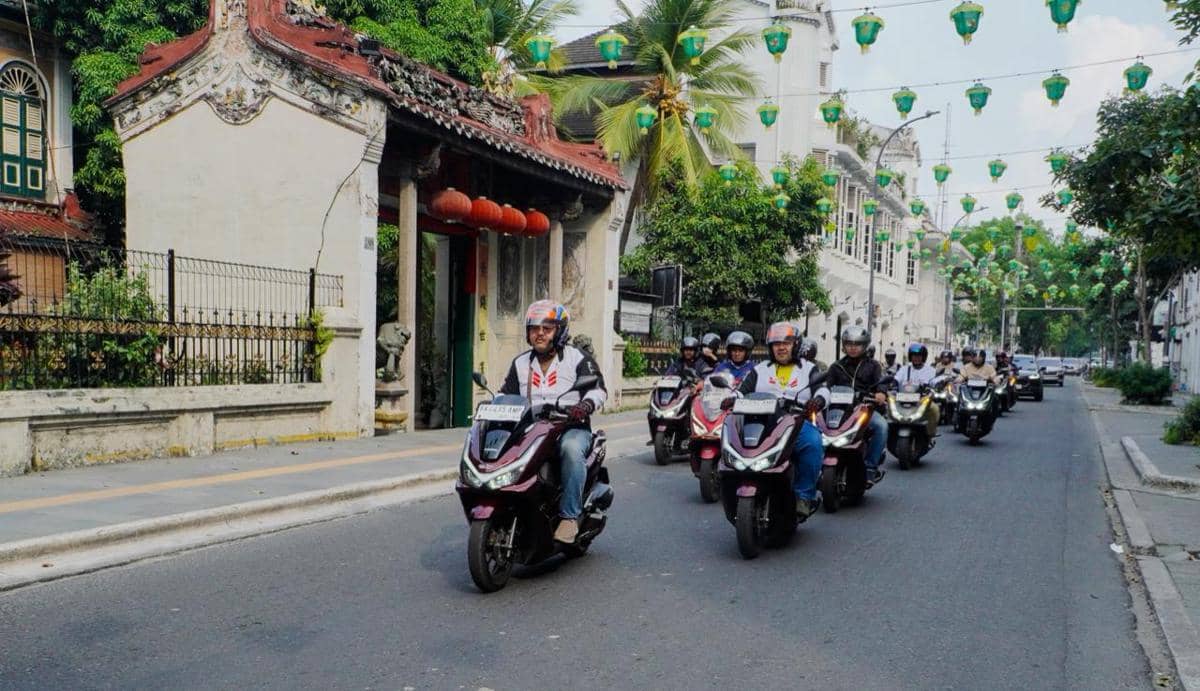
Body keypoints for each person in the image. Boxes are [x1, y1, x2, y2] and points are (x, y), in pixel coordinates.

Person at [499, 300, 606, 544]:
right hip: (531, 429)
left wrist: (585, 406)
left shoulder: (578, 358)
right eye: (535, 328)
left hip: (570, 427)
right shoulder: (520, 363)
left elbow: (599, 390)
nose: (540, 333)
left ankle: (569, 517)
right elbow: (506, 393)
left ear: (560, 331)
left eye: (547, 328)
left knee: (570, 449)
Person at [734, 322, 829, 519]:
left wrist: (818, 400)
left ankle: (804, 496)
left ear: (796, 345)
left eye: (787, 342)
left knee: (813, 443)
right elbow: (741, 392)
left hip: (795, 422)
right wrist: (730, 398)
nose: (781, 347)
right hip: (762, 423)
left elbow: (823, 389)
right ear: (771, 347)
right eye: (776, 343)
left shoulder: (809, 369)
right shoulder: (760, 370)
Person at [824, 326, 889, 485]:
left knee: (882, 426)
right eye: (849, 343)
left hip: (863, 409)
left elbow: (880, 384)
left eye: (857, 344)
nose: (853, 347)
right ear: (844, 345)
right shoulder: (836, 366)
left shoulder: (873, 366)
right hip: (837, 410)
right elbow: (826, 387)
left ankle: (870, 468)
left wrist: (880, 393)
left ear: (865, 345)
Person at [893, 343, 941, 440]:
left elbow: (935, 382)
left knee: (935, 409)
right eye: (914, 356)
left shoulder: (931, 370)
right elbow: (896, 379)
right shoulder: (904, 369)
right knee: (887, 407)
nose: (916, 358)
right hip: (902, 400)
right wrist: (892, 385)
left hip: (922, 400)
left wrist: (935, 386)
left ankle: (930, 434)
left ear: (924, 357)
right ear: (911, 357)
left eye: (919, 356)